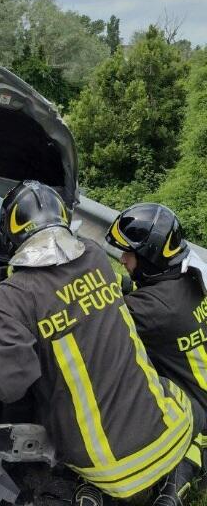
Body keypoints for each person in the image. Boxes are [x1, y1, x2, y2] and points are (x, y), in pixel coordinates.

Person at [0, 181, 197, 506]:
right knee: (168, 388)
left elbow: (7, 384)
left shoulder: (10, 301)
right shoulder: (95, 258)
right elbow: (50, 273)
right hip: (173, 433)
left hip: (105, 465)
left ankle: (96, 486)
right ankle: (164, 486)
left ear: (11, 235)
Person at [111, 204, 207, 486]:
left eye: (129, 253)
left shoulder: (153, 310)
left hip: (196, 408)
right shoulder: (190, 275)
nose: (122, 259)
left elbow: (98, 318)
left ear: (150, 258)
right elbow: (135, 289)